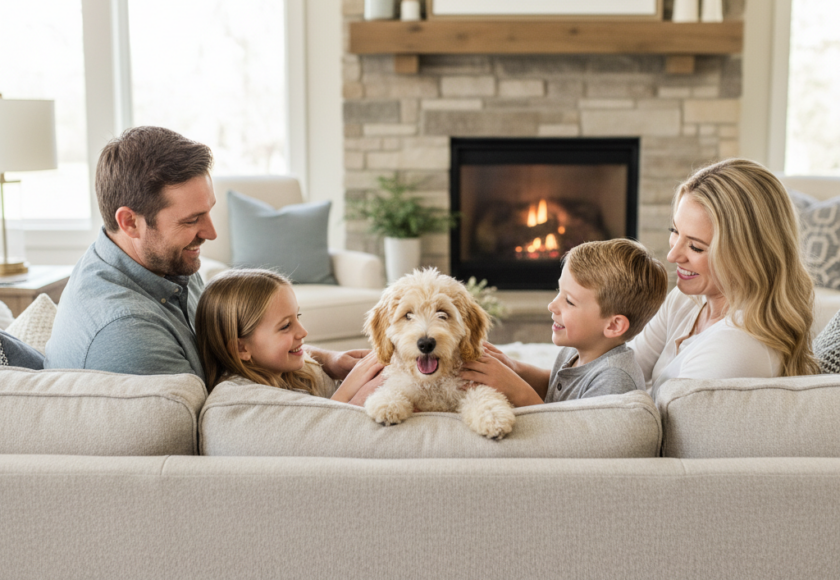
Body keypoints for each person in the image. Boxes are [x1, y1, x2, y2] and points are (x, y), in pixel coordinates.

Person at [44, 126, 361, 383]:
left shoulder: (165, 263)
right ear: (129, 222)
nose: (211, 233)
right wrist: (351, 407)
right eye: (191, 220)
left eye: (208, 212)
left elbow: (240, 345)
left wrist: (328, 360)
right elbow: (206, 440)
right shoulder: (125, 334)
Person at [627, 158, 820, 394]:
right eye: (675, 232)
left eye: (696, 247)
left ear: (747, 255)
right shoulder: (687, 300)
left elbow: (658, 426)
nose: (672, 255)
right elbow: (625, 369)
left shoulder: (738, 347)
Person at [461, 238, 668, 406]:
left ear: (613, 325)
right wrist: (513, 368)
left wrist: (518, 392)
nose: (552, 305)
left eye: (569, 301)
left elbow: (570, 441)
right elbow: (557, 386)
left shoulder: (614, 380)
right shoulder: (577, 350)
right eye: (558, 291)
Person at [196, 268, 382, 403]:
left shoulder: (300, 374)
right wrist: (351, 389)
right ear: (241, 348)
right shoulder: (245, 399)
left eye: (297, 316)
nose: (303, 332)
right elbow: (313, 439)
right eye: (285, 326)